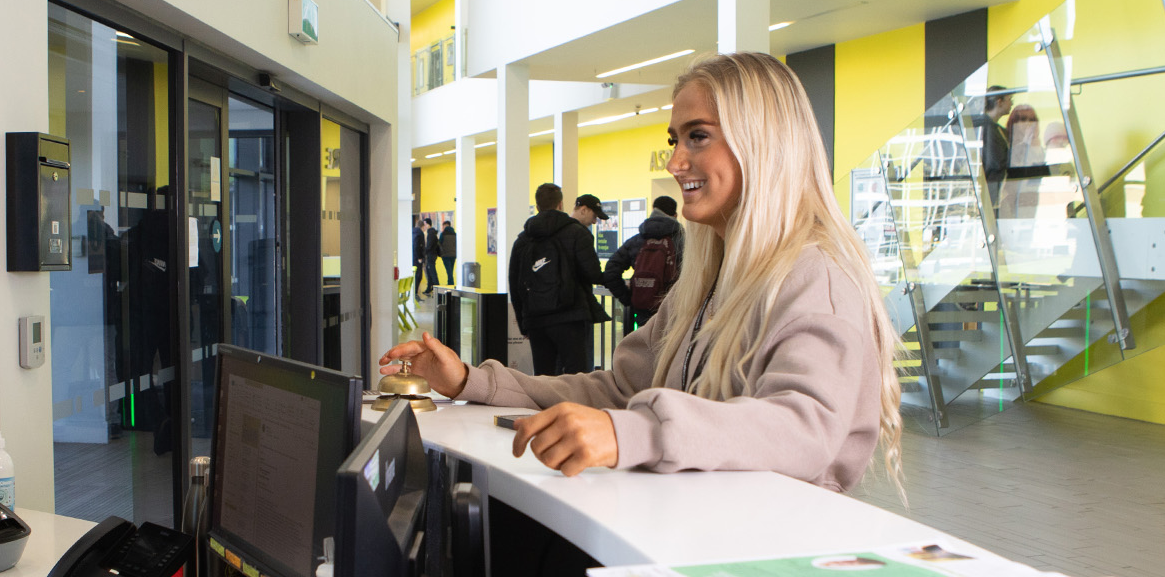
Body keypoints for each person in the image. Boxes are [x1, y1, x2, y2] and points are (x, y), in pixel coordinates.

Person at [382, 52, 905, 495]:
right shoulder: (713, 280)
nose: (677, 162)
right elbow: (618, 390)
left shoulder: (816, 275)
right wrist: (474, 381)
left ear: (764, 143)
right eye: (676, 138)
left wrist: (641, 433)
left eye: (697, 137)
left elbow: (803, 428)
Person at [506, 183, 605, 376]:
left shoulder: (523, 240)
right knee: (576, 377)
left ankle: (547, 407)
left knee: (544, 378)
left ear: (537, 206)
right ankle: (573, 407)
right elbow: (592, 273)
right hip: (572, 316)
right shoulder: (577, 233)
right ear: (561, 204)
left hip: (536, 319)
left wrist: (523, 321)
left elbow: (515, 284)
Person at [601, 195, 683, 332]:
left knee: (643, 349)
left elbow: (611, 270)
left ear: (653, 210)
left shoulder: (638, 239)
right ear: (675, 215)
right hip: (673, 310)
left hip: (642, 309)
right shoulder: (682, 240)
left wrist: (628, 298)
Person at [420, 218, 441, 297]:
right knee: (429, 272)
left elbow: (429, 246)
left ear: (428, 224)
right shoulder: (431, 232)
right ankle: (429, 288)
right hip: (431, 255)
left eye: (425, 224)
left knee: (432, 272)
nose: (424, 226)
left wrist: (423, 251)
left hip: (431, 255)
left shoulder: (431, 233)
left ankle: (437, 289)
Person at [437, 220, 458, 287]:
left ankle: (450, 285)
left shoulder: (443, 234)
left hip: (445, 255)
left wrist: (440, 253)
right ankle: (450, 284)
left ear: (445, 226)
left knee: (449, 272)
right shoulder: (455, 234)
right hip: (453, 255)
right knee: (450, 271)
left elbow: (439, 244)